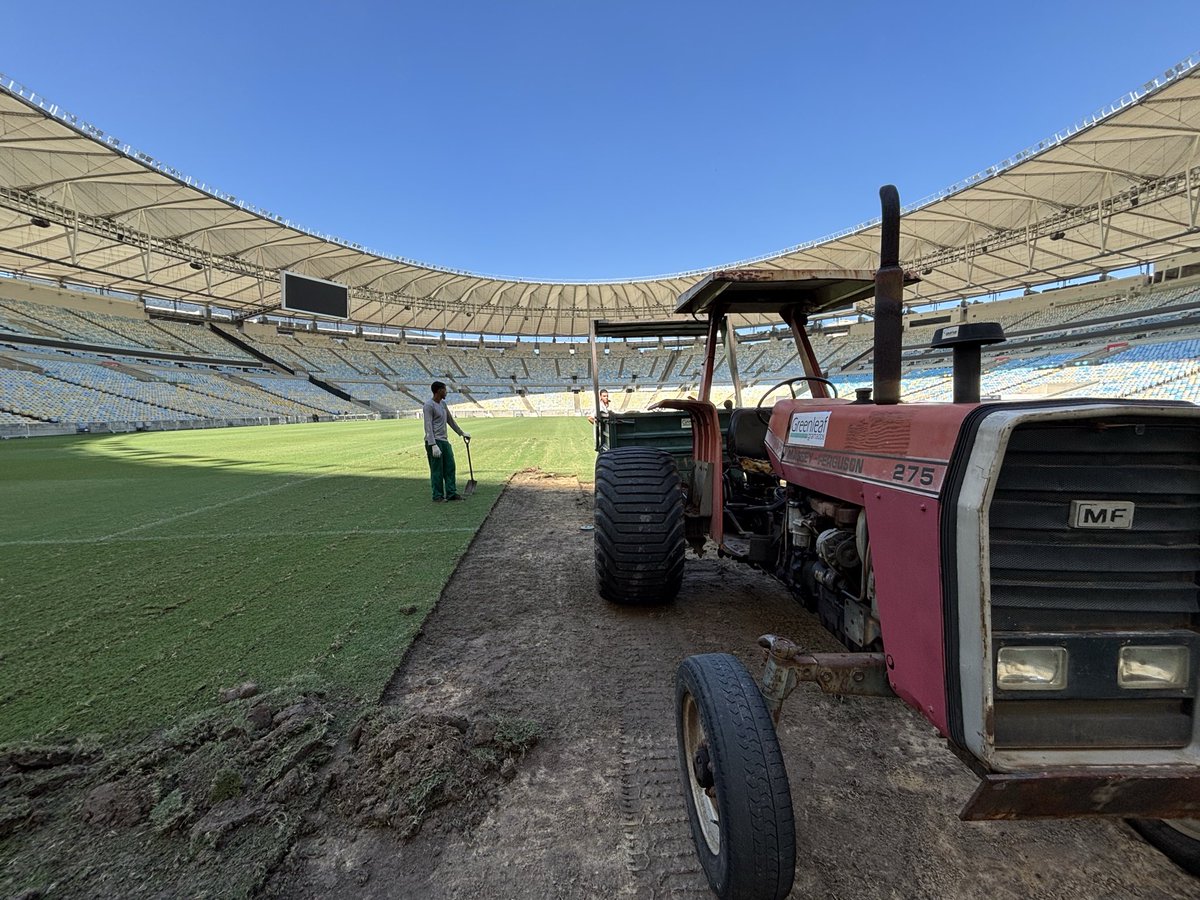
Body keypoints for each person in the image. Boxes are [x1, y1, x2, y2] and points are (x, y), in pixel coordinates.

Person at [423, 381, 470, 502]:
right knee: (437, 470)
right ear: (438, 391)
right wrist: (433, 444)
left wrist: (461, 433)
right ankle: (437, 496)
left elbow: (450, 420)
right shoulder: (429, 406)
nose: (446, 392)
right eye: (444, 390)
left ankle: (451, 493)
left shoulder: (443, 404)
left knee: (450, 467)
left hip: (444, 441)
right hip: (434, 442)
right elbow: (428, 426)